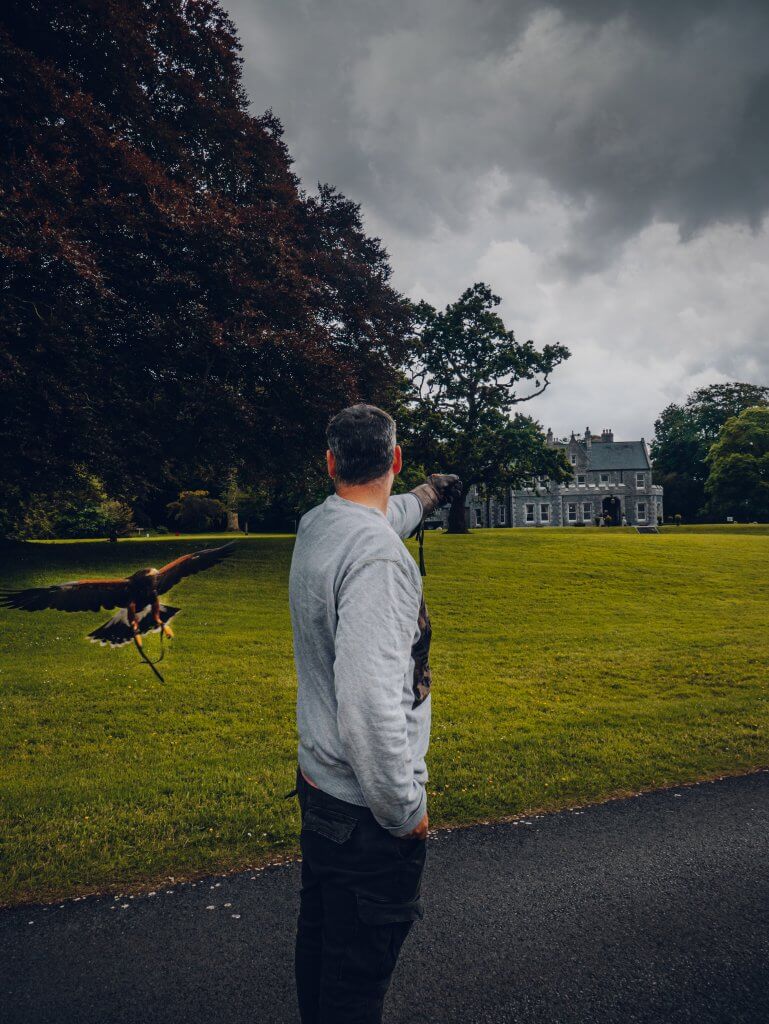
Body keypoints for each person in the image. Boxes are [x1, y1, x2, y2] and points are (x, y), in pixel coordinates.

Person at [288, 403, 461, 1023]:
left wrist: (428, 497)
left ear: (330, 463)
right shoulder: (379, 559)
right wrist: (404, 812)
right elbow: (368, 705)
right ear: (396, 457)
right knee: (354, 985)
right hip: (366, 814)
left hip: (321, 789)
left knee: (323, 954)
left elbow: (385, 513)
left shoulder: (320, 525)